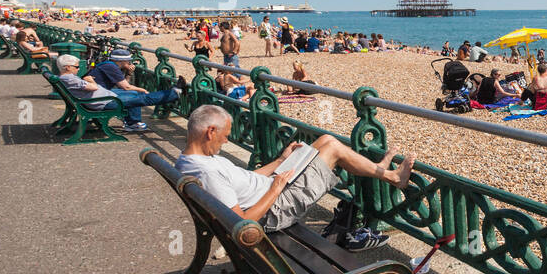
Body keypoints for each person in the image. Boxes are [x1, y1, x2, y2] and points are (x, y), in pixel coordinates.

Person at [176, 104, 416, 233]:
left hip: (274, 191)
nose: (227, 141)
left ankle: (377, 168)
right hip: (274, 211)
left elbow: (247, 178)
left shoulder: (190, 159)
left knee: (322, 140)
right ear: (210, 132)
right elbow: (240, 223)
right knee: (332, 147)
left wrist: (281, 161)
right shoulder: (207, 172)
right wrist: (275, 189)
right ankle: (393, 177)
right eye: (226, 136)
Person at [85, 48, 180, 132]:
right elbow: (126, 87)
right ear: (120, 61)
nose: (130, 63)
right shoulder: (111, 67)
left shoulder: (109, 65)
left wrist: (129, 73)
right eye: (128, 61)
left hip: (99, 95)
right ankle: (174, 93)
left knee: (134, 93)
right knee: (140, 96)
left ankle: (132, 122)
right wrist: (142, 89)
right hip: (100, 99)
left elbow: (124, 85)